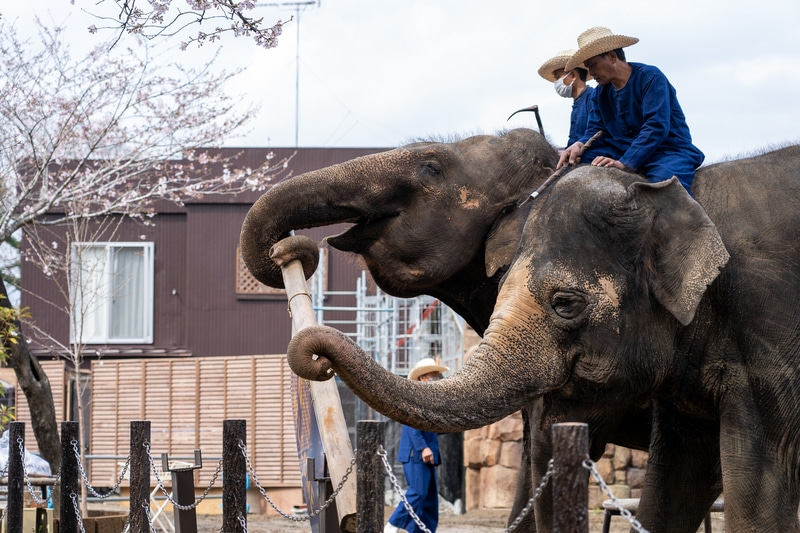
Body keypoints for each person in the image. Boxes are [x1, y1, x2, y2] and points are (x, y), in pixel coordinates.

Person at [557, 27, 704, 192]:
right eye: (588, 67)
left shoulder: (651, 77)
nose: (590, 72)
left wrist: (624, 163)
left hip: (667, 150)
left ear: (612, 57)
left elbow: (656, 126)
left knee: (661, 188)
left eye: (593, 65)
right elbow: (596, 128)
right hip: (622, 148)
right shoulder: (600, 93)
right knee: (579, 163)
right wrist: (579, 144)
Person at [385, 358, 450, 533]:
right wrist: (423, 447)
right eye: (432, 375)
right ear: (421, 378)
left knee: (429, 499)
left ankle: (423, 531)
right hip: (416, 454)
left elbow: (432, 429)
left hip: (428, 455)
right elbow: (411, 427)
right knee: (418, 492)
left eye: (437, 375)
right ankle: (392, 524)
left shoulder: (432, 401)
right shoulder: (415, 398)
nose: (436, 378)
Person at [538, 49, 595, 147]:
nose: (556, 82)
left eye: (557, 77)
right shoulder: (577, 103)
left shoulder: (593, 98)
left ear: (573, 75)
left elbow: (596, 134)